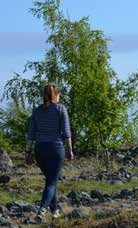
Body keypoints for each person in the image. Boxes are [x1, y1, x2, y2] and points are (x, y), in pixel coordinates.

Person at [25, 83, 74, 222]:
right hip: (56, 149)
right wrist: (70, 150)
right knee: (51, 183)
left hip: (40, 150)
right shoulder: (61, 109)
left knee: (50, 181)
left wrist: (27, 153)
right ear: (56, 95)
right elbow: (66, 132)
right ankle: (41, 211)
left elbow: (31, 133)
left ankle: (55, 211)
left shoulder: (36, 111)